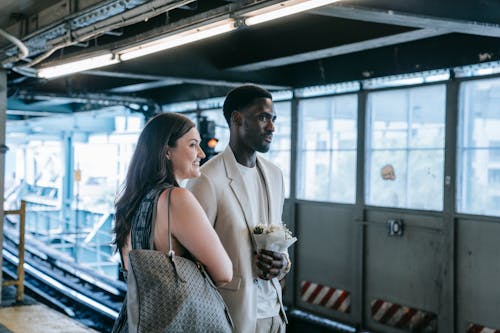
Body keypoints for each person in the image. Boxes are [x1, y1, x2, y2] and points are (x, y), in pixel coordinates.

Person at [111, 112, 233, 332]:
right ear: (167, 150)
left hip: (133, 323)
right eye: (193, 145)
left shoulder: (127, 203)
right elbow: (224, 272)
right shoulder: (176, 199)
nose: (202, 154)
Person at [187, 84, 291, 333]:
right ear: (237, 119)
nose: (272, 127)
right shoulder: (207, 179)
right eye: (263, 117)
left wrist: (282, 263)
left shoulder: (274, 175)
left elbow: (278, 238)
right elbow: (190, 259)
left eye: (273, 119)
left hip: (274, 315)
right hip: (230, 317)